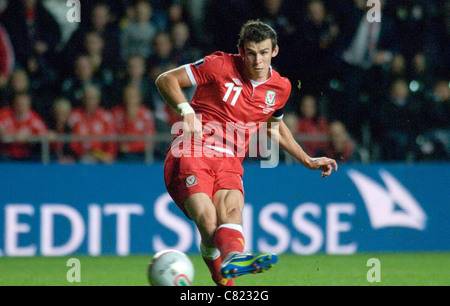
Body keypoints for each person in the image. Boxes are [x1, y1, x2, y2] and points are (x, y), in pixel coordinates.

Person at [155, 20, 337, 286]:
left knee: (229, 214)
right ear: (241, 50)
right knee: (209, 223)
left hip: (229, 160)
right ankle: (228, 268)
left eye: (264, 52)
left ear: (274, 51)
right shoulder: (219, 65)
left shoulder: (280, 88)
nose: (257, 60)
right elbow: (166, 79)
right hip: (193, 150)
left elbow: (273, 126)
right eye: (251, 53)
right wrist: (187, 111)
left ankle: (232, 263)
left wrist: (306, 159)